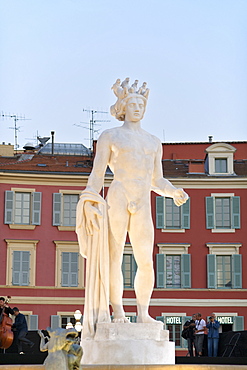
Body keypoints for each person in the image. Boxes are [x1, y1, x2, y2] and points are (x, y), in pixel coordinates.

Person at [76, 78, 188, 337]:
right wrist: (90, 198)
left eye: (141, 103)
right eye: (133, 103)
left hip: (143, 201)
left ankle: (143, 312)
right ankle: (118, 311)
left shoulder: (153, 142)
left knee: (145, 261)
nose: (138, 107)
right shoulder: (110, 136)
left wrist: (172, 192)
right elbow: (97, 174)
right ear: (123, 108)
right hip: (118, 196)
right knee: (114, 258)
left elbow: (156, 180)